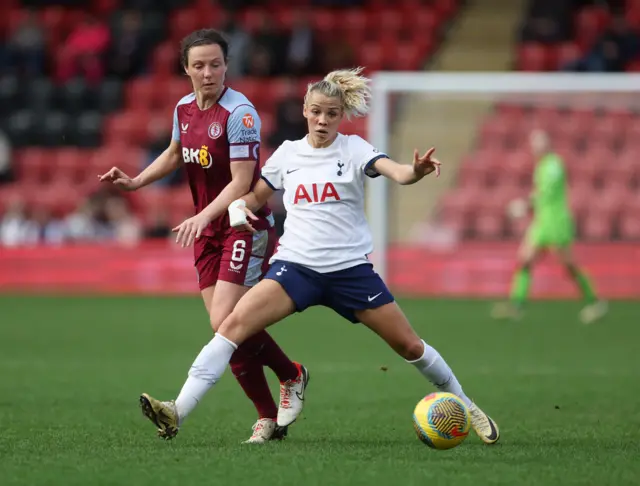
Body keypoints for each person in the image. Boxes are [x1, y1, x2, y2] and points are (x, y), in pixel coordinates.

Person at [145, 67, 501, 444]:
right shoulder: (288, 154)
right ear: (304, 110)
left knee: (410, 345)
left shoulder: (354, 149)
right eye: (316, 111)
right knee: (230, 327)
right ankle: (178, 410)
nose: (323, 120)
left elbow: (396, 172)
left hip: (350, 272)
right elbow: (254, 197)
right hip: (295, 268)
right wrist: (238, 210)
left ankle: (466, 404)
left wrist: (414, 170)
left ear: (341, 115)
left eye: (332, 113)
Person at [98, 29, 308, 444]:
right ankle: (269, 416)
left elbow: (242, 183)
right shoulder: (183, 108)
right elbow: (176, 154)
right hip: (208, 228)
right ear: (185, 69)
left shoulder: (241, 114)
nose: (208, 72)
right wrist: (137, 181)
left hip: (242, 225)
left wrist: (202, 216)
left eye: (215, 64)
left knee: (223, 324)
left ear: (227, 65)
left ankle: (291, 374)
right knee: (228, 329)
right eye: (199, 65)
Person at [492, 129, 608, 324]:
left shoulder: (554, 164)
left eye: (539, 143)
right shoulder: (542, 166)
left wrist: (524, 206)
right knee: (525, 260)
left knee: (568, 264)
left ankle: (595, 302)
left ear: (547, 144)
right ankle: (516, 305)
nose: (536, 147)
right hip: (541, 222)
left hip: (555, 222)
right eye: (534, 143)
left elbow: (545, 193)